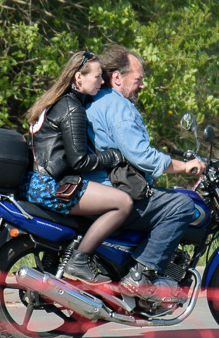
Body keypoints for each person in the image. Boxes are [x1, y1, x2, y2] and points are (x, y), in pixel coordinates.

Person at [84, 46, 206, 300]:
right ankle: (140, 276)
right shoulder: (118, 107)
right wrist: (184, 166)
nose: (143, 85)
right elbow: (140, 155)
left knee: (163, 199)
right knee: (182, 205)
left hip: (98, 190)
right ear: (117, 77)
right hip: (114, 191)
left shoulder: (98, 100)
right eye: (138, 79)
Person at [25, 50, 133, 283]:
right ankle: (80, 260)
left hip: (38, 182)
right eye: (97, 76)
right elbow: (80, 161)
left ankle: (59, 259)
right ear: (78, 77)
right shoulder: (72, 108)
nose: (102, 81)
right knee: (123, 203)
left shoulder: (56, 102)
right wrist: (114, 156)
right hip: (53, 187)